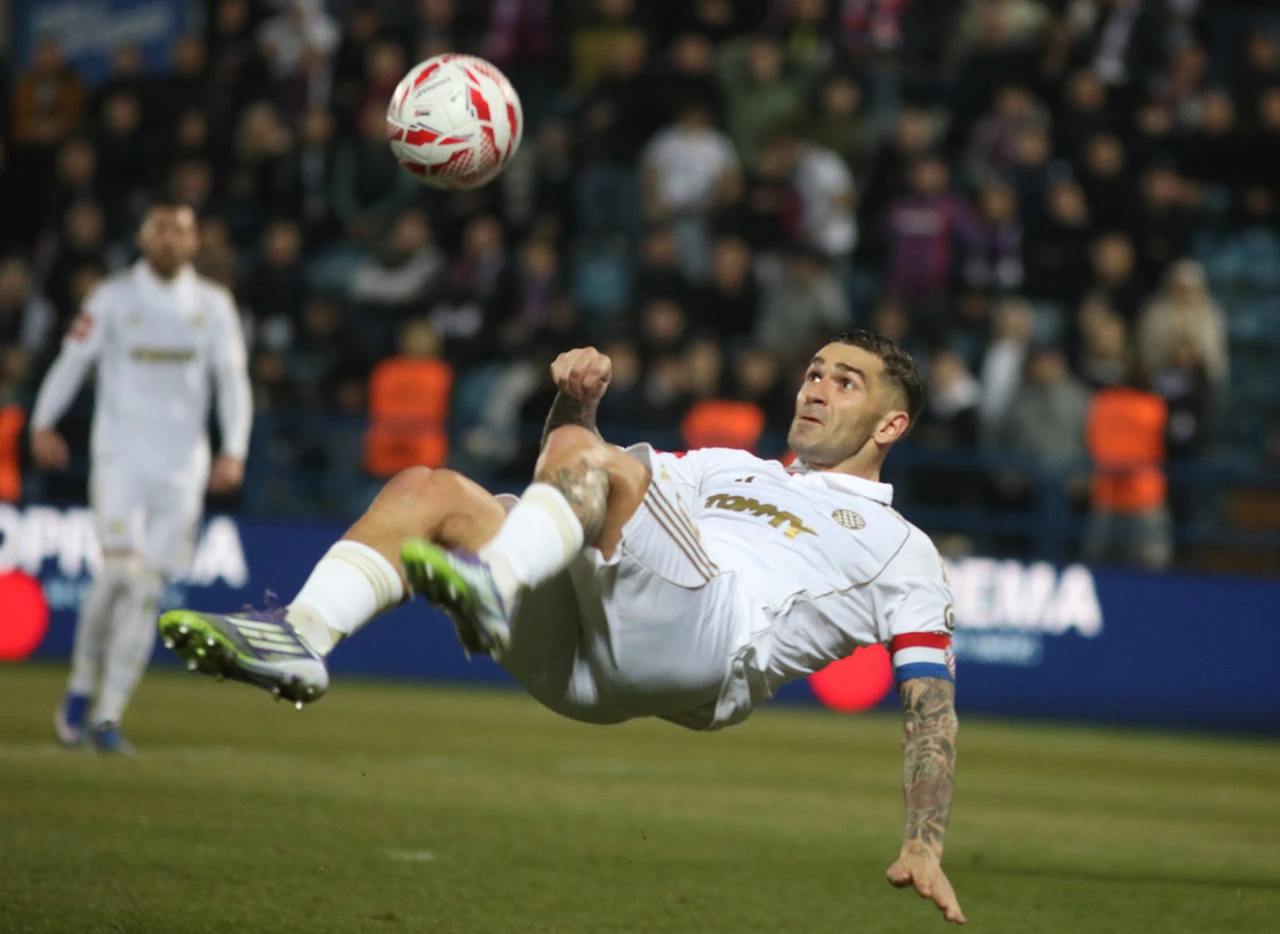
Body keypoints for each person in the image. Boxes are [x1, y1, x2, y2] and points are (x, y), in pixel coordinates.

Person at [160, 331, 965, 925]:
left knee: (593, 458)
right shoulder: (729, 467)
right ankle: (302, 636)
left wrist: (924, 840)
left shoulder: (904, 550)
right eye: (815, 371)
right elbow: (570, 479)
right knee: (428, 488)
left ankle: (492, 585)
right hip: (582, 666)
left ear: (890, 427)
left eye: (847, 382)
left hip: (709, 644)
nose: (816, 388)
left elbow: (930, 702)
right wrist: (575, 401)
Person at [29, 202, 253, 753]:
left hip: (181, 470)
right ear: (142, 237)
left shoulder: (214, 305)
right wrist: (41, 422)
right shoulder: (112, 299)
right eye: (162, 229)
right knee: (118, 578)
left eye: (182, 230)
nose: (172, 240)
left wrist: (234, 449)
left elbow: (233, 381)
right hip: (120, 460)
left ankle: (108, 715)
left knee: (148, 590)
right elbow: (72, 361)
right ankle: (81, 686)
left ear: (195, 241)